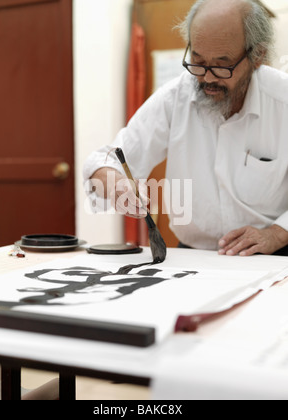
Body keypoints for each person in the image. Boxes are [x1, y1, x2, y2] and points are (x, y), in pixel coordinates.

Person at [83, 0, 288, 257]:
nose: (208, 78)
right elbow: (104, 161)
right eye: (198, 61)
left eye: (222, 66)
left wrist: (276, 234)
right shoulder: (177, 96)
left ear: (257, 56)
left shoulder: (282, 100)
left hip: (274, 255)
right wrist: (117, 185)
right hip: (195, 257)